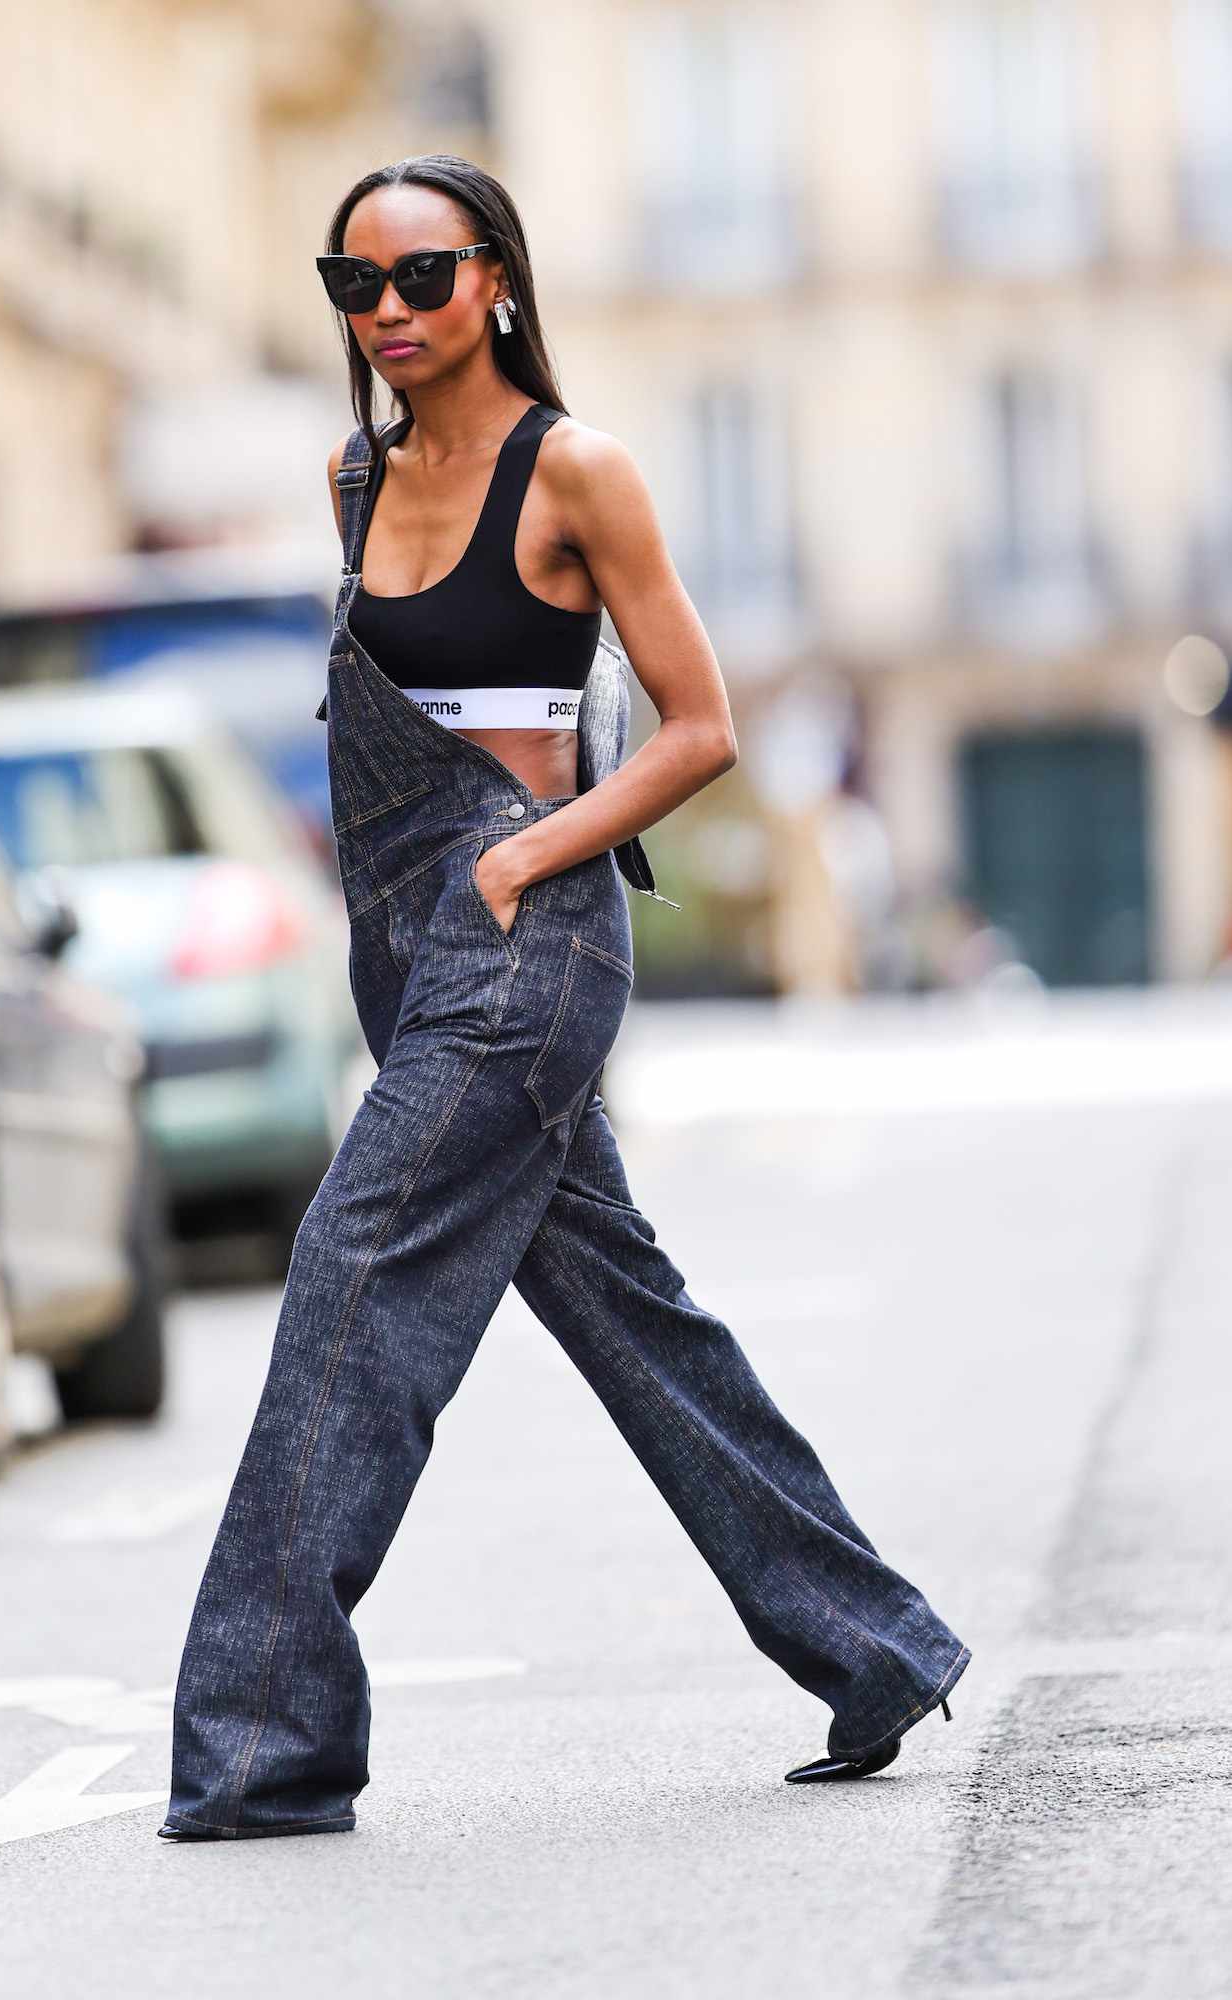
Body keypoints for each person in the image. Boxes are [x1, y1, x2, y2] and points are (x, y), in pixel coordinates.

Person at [158, 154, 969, 1842]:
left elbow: (699, 726)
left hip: (523, 936)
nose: (387, 313)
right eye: (353, 285)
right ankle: (873, 1643)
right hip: (408, 939)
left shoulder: (575, 471)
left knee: (349, 1270)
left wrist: (526, 865)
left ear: (499, 282)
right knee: (630, 1315)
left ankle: (264, 1741)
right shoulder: (351, 479)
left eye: (422, 277)